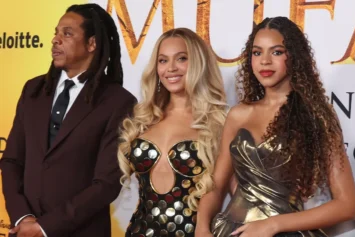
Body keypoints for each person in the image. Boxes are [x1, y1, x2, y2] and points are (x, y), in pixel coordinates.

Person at [195, 16, 355, 237]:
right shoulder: (238, 115)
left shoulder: (317, 117)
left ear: (295, 57)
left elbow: (347, 206)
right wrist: (202, 227)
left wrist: (272, 225)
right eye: (257, 52)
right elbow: (216, 186)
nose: (265, 61)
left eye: (277, 52)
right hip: (231, 231)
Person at [0, 4, 136, 237]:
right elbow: (11, 160)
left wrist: (44, 228)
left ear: (92, 43)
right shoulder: (33, 90)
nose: (55, 39)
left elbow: (106, 185)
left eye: (67, 33)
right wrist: (24, 218)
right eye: (56, 32)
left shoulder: (118, 102)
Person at [118, 27, 227, 237]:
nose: (171, 68)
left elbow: (224, 190)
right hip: (139, 231)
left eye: (181, 59)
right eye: (163, 60)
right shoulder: (144, 120)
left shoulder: (217, 123)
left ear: (198, 63)